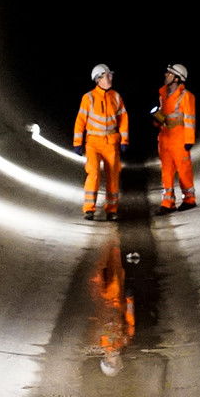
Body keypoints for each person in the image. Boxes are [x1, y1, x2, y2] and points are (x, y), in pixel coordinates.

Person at [73, 64, 128, 221]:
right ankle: (89, 209)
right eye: (107, 76)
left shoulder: (116, 97)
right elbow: (80, 121)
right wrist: (77, 142)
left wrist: (124, 139)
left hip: (111, 142)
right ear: (98, 79)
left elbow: (123, 119)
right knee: (94, 173)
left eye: (110, 75)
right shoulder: (88, 98)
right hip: (93, 143)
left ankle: (112, 210)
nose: (111, 78)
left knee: (113, 176)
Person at [154, 63, 196, 214]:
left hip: (179, 138)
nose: (166, 75)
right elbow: (161, 118)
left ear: (177, 79)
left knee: (184, 170)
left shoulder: (186, 97)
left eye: (169, 74)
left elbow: (190, 119)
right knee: (166, 172)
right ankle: (167, 203)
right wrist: (156, 117)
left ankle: (189, 199)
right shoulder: (163, 95)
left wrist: (189, 140)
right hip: (165, 138)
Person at [91, 236, 135, 377]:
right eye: (117, 363)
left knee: (100, 268)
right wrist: (129, 300)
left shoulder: (98, 343)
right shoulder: (124, 341)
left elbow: (90, 320)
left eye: (115, 363)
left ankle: (104, 241)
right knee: (115, 267)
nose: (117, 360)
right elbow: (130, 320)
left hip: (101, 299)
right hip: (116, 297)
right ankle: (112, 239)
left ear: (107, 361)